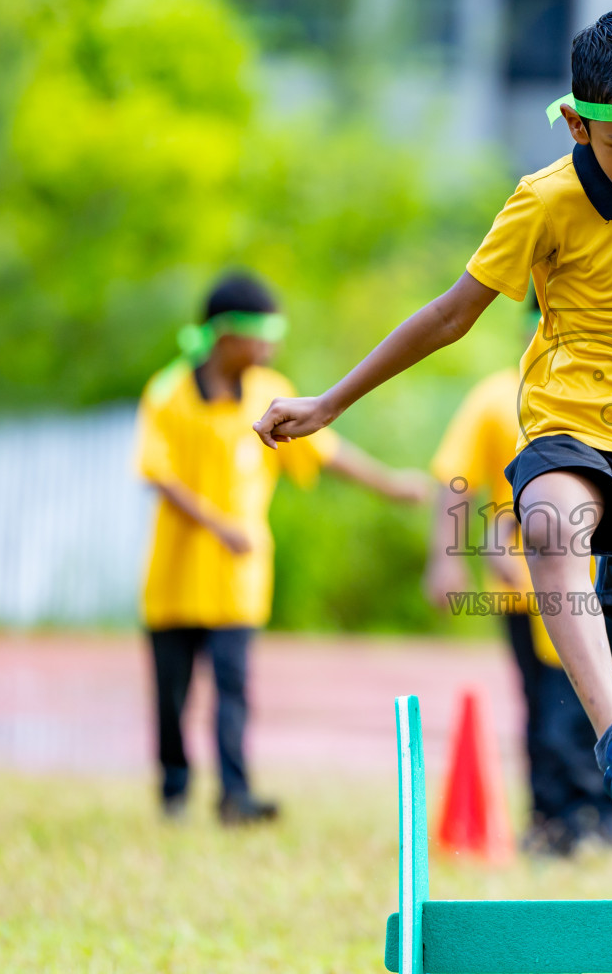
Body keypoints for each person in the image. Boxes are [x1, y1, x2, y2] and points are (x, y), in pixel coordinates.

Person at [254, 8, 612, 837]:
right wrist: (329, 402)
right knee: (548, 520)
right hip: (574, 424)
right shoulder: (544, 203)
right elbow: (450, 316)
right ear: (578, 125)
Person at [136, 272, 429, 825]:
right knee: (171, 696)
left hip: (237, 582)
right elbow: (158, 474)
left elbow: (324, 451)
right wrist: (219, 525)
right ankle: (174, 791)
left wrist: (389, 483)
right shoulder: (168, 393)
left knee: (233, 692)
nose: (270, 347)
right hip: (175, 579)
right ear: (226, 336)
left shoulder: (268, 392)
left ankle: (235, 796)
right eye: (261, 335)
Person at [423, 343, 612, 854]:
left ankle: (608, 815)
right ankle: (554, 819)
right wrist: (451, 555)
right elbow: (456, 477)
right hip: (524, 585)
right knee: (545, 709)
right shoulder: (498, 397)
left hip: (609, 580)